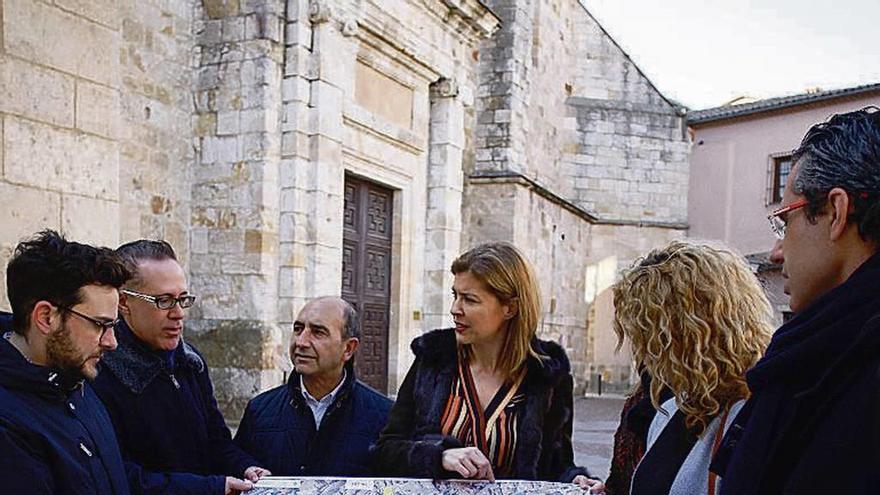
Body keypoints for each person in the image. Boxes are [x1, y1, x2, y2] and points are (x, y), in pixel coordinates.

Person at [718, 107, 880, 494]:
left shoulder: (833, 367)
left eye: (785, 220)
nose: (777, 252)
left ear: (836, 212)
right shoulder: (829, 350)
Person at [372, 242, 605, 493]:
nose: (454, 309)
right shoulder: (433, 358)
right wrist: (439, 456)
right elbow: (386, 450)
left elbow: (555, 462)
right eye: (455, 295)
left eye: (469, 300)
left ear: (510, 308)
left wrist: (575, 480)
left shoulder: (547, 375)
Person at [91, 240, 269, 495]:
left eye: (183, 299)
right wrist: (209, 488)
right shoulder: (98, 373)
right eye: (163, 301)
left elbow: (216, 442)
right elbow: (119, 476)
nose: (178, 313)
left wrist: (246, 468)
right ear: (123, 302)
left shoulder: (191, 361)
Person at [610, 241, 773, 495]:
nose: (644, 353)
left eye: (652, 336)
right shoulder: (671, 409)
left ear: (688, 334)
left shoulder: (753, 416)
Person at [0, 230, 131, 494]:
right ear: (46, 317)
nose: (112, 342)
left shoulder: (73, 377)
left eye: (114, 325)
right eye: (100, 325)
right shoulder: (7, 426)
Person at [234, 296, 392, 475]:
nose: (301, 342)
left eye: (318, 332)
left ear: (348, 348)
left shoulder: (385, 417)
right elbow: (236, 467)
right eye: (298, 329)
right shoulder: (260, 410)